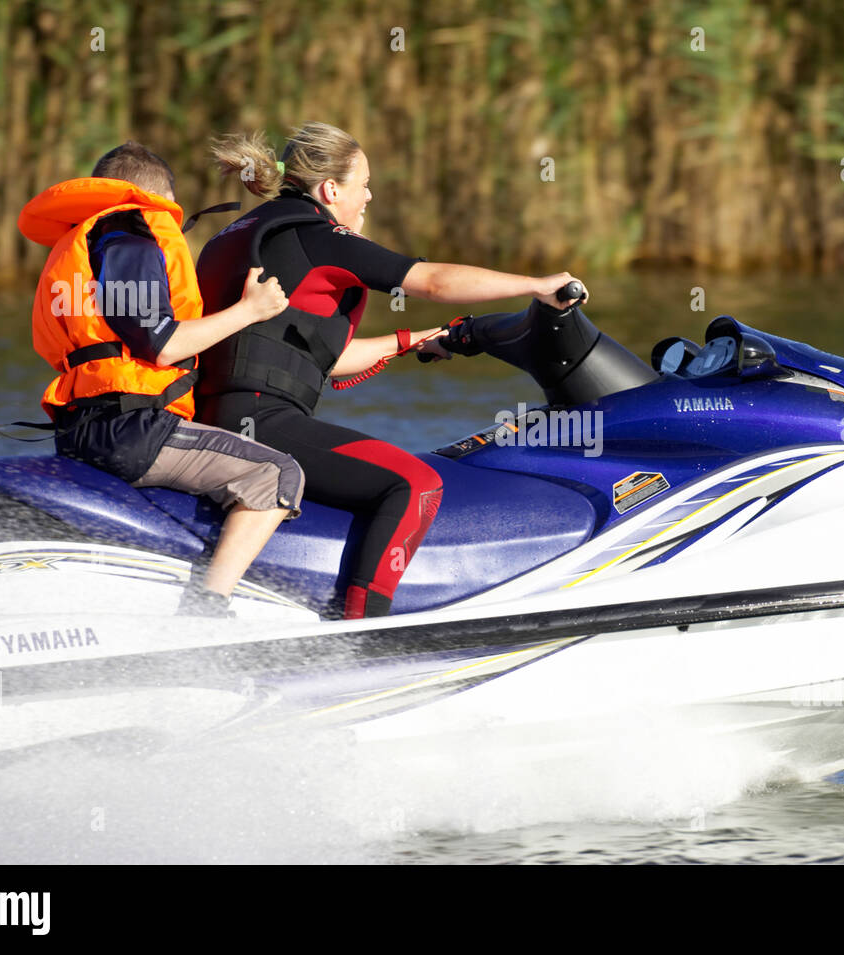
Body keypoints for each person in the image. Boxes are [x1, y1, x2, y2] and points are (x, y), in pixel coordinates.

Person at [194, 123, 587, 620]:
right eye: (363, 183)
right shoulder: (317, 234)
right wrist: (538, 284)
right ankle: (364, 635)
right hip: (262, 420)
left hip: (222, 413)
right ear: (331, 190)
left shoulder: (241, 234)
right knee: (414, 483)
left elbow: (315, 360)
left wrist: (409, 341)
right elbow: (433, 280)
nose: (369, 195)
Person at [19, 141, 306, 617]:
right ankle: (207, 611)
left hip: (86, 425)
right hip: (130, 428)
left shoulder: (82, 241)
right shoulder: (129, 232)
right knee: (278, 474)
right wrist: (248, 311)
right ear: (157, 197)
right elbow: (163, 344)